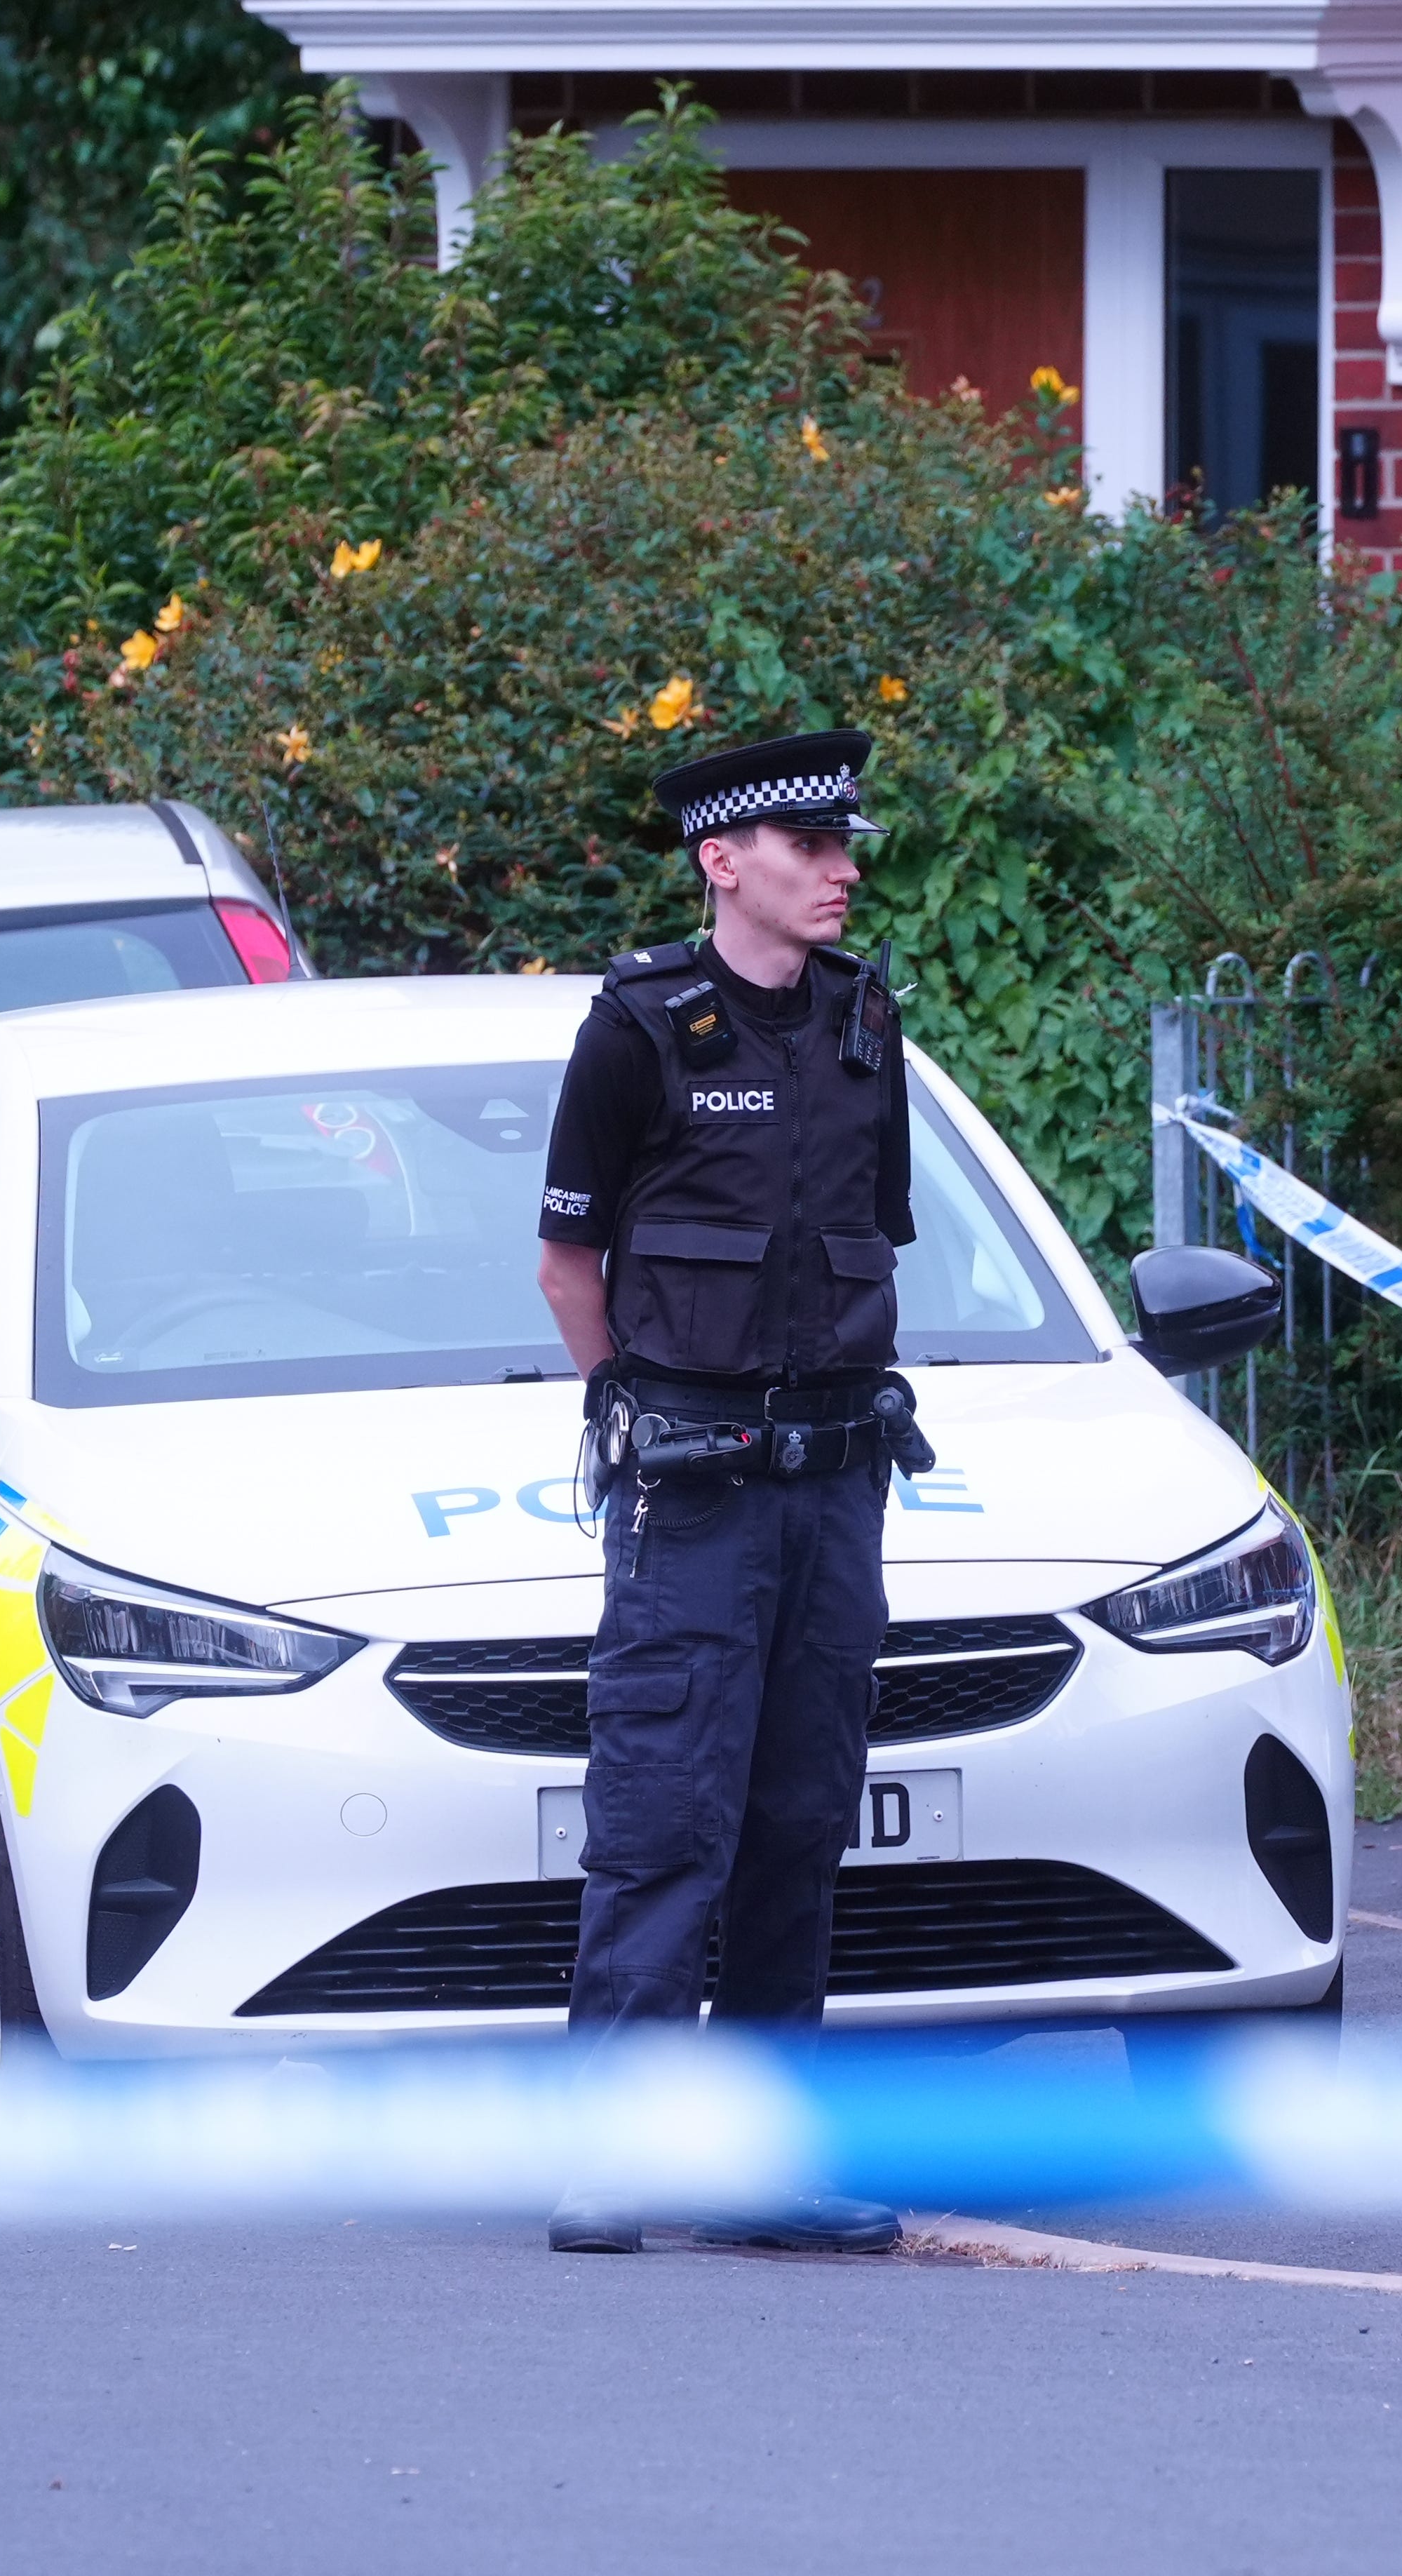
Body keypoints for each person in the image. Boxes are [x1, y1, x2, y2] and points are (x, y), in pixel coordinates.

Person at [534, 730, 922, 2258]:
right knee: (662, 1818)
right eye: (811, 846)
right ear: (723, 860)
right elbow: (571, 1263)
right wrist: (638, 1413)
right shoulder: (639, 1029)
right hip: (692, 1495)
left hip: (834, 1491)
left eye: (846, 845)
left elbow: (873, 1234)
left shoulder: (862, 1023)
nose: (843, 869)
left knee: (798, 1818)